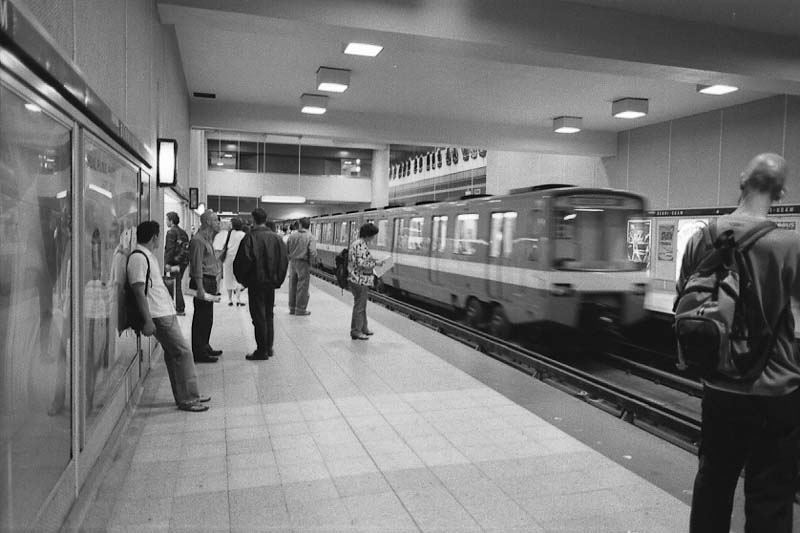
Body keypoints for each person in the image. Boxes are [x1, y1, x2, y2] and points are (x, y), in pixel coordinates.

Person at [680, 153, 800, 532]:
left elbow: (684, 299)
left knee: (714, 480)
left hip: (718, 383)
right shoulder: (790, 244)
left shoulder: (703, 236)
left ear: (741, 180)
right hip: (774, 388)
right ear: (781, 192)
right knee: (769, 493)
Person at [128, 221, 210, 412]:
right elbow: (138, 291)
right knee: (183, 352)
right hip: (158, 313)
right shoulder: (139, 258)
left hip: (165, 311)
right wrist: (148, 320)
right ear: (154, 237)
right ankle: (189, 398)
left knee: (174, 355)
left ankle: (185, 395)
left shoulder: (147, 256)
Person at [233, 208, 288, 361]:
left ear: (253, 219)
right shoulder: (277, 239)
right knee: (269, 315)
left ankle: (261, 350)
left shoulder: (250, 238)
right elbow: (284, 261)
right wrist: (278, 280)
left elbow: (244, 261)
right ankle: (269, 348)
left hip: (256, 284)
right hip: (270, 284)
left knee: (258, 317)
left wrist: (243, 280)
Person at [189, 209, 223, 363]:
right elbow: (196, 266)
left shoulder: (208, 239)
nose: (219, 223)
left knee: (208, 317)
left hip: (210, 281)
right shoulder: (198, 240)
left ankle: (205, 345)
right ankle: (199, 351)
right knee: (201, 318)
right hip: (203, 281)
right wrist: (200, 288)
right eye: (216, 220)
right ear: (208, 222)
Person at [348, 223, 385, 340]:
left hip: (359, 279)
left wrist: (373, 260)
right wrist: (376, 263)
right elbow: (361, 263)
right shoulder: (360, 245)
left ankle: (364, 328)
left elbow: (363, 259)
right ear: (368, 235)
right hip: (359, 279)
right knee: (359, 306)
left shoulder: (360, 244)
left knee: (361, 305)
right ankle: (356, 331)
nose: (373, 238)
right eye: (373, 235)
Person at [286, 217, 317, 316]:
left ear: (300, 224)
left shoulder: (292, 236)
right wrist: (312, 262)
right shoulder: (310, 237)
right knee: (302, 286)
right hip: (303, 263)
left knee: (292, 285)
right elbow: (312, 251)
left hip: (292, 262)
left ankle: (292, 308)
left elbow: (286, 249)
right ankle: (300, 309)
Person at [164, 212, 190, 315]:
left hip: (174, 262)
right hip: (183, 262)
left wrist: (167, 263)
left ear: (171, 220)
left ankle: (180, 308)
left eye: (167, 220)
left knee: (176, 285)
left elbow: (169, 249)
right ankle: (179, 306)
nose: (166, 222)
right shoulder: (184, 232)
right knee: (178, 283)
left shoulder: (171, 232)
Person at [221, 218, 247, 306]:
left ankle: (229, 299)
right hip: (239, 259)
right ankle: (238, 299)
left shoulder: (229, 234)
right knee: (238, 279)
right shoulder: (243, 234)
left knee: (228, 278)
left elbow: (225, 245)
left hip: (228, 258)